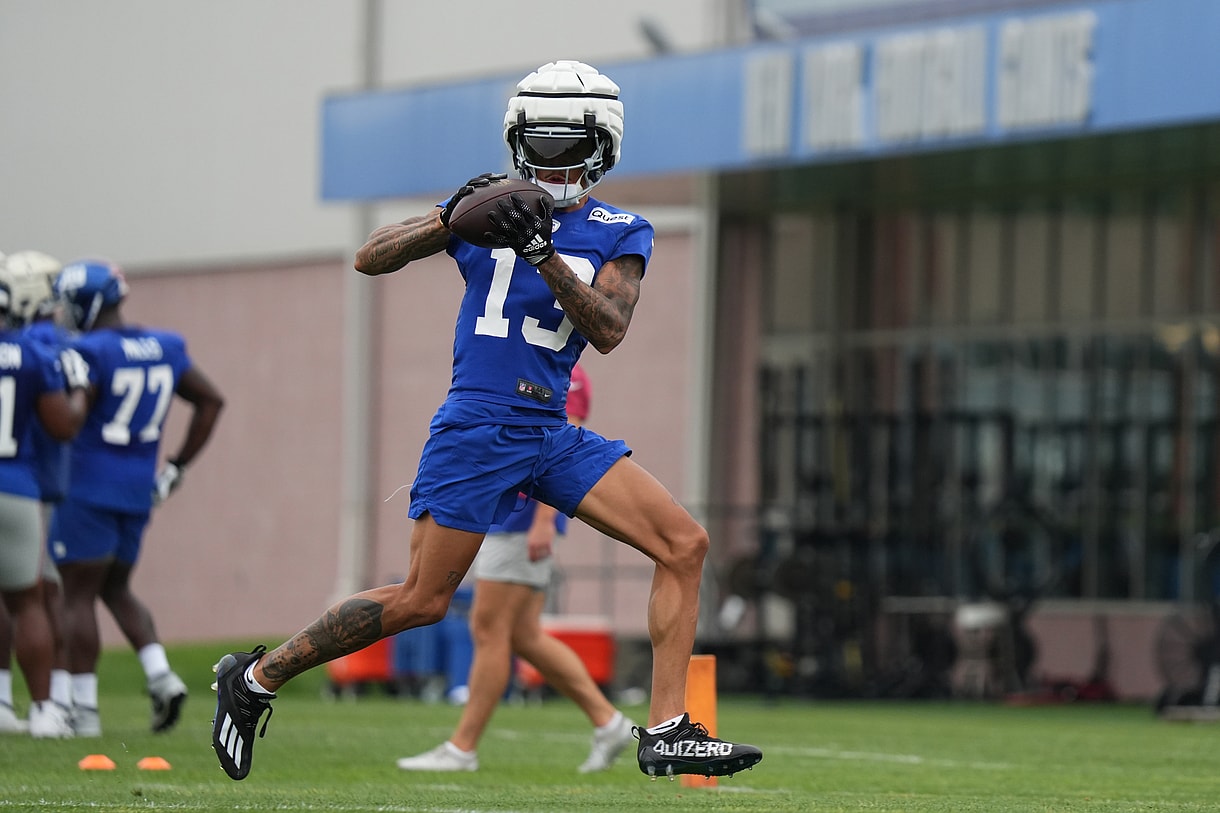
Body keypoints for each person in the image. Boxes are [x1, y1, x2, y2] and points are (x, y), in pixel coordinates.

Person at [211, 59, 762, 782]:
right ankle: (255, 677)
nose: (554, 159)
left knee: (684, 542)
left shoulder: (621, 229)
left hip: (549, 428)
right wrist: (446, 219)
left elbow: (608, 329)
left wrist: (541, 254)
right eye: (543, 142)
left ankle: (664, 730)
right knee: (422, 599)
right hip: (479, 422)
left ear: (603, 146)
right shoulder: (487, 206)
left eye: (570, 144)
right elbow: (368, 257)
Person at [395, 362, 637, 773]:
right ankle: (609, 722)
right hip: (509, 515)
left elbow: (563, 450)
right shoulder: (534, 362)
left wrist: (543, 523)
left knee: (488, 629)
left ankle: (462, 747)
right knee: (523, 635)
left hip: (521, 522)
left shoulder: (566, 371)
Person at [48, 258, 225, 736]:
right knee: (114, 587)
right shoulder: (163, 345)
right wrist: (176, 466)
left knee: (76, 595)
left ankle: (81, 710)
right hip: (138, 489)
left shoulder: (89, 351)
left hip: (86, 486)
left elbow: (71, 418)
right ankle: (161, 675)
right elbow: (211, 400)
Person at [0, 264, 90, 737]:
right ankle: (44, 711)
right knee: (27, 599)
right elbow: (63, 425)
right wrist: (75, 388)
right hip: (15, 486)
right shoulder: (30, 354)